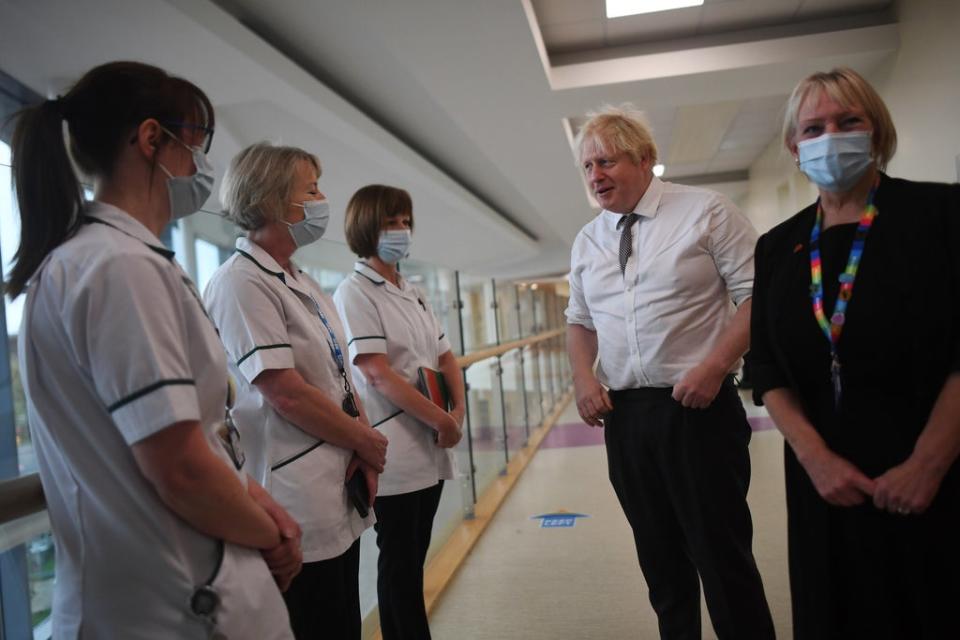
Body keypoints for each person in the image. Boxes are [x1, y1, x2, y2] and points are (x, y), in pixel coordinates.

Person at [8, 61, 297, 638]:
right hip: (175, 605)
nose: (202, 166)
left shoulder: (109, 261)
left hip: (174, 593)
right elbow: (180, 468)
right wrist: (275, 537)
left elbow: (197, 441)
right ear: (150, 139)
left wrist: (255, 501)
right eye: (197, 143)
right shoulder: (118, 268)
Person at [748, 67, 960, 639]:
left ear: (877, 131)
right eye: (813, 128)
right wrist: (814, 458)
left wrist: (928, 465)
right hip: (824, 484)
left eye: (848, 121)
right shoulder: (778, 247)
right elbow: (765, 365)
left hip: (930, 472)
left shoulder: (941, 216)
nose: (830, 136)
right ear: (795, 147)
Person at [566, 106, 775, 640]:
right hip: (627, 417)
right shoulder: (589, 240)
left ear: (645, 159)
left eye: (606, 161)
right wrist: (584, 380)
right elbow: (580, 321)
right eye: (587, 166)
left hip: (698, 408)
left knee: (722, 557)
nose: (595, 176)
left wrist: (715, 366)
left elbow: (760, 295)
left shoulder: (705, 211)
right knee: (659, 562)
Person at [203, 142, 387, 639]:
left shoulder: (300, 280)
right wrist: (362, 440)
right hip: (293, 489)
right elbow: (283, 391)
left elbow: (338, 375)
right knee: (315, 622)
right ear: (272, 199)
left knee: (342, 618)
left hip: (336, 479)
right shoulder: (239, 282)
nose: (321, 198)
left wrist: (364, 446)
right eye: (311, 189)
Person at [333, 184, 465, 640]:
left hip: (429, 441)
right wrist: (440, 418)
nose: (401, 231)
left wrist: (458, 410)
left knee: (412, 564)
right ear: (367, 226)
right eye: (392, 222)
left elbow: (445, 356)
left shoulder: (412, 290)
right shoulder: (355, 292)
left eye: (406, 221)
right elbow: (376, 373)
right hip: (397, 448)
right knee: (400, 569)